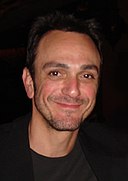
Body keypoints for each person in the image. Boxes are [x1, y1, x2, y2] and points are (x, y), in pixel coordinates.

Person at [0, 11, 128, 181]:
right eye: (56, 73)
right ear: (29, 83)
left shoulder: (120, 149)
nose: (74, 90)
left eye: (86, 75)